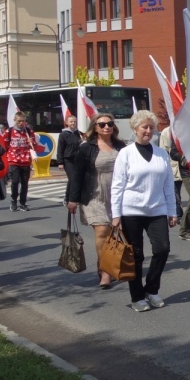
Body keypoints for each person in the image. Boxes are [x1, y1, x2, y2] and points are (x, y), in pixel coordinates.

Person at [110, 110, 178, 312]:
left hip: (156, 210)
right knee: (136, 255)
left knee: (162, 249)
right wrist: (115, 215)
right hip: (131, 211)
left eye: (151, 127)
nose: (148, 131)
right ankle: (137, 296)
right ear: (135, 129)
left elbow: (168, 184)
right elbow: (117, 185)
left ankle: (152, 289)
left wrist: (172, 211)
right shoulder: (126, 153)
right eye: (144, 127)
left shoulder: (161, 153)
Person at [68, 113, 127, 288]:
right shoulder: (87, 148)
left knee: (113, 234)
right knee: (102, 231)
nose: (106, 127)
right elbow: (77, 175)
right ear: (95, 127)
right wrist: (72, 199)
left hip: (117, 196)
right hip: (93, 195)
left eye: (109, 124)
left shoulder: (121, 146)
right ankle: (105, 272)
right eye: (102, 124)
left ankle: (111, 264)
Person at [4, 112, 39, 212]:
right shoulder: (9, 131)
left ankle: (23, 203)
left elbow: (34, 146)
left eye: (23, 121)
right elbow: (4, 144)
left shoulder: (29, 131)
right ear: (15, 120)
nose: (21, 123)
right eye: (19, 121)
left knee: (25, 183)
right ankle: (13, 201)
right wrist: (8, 155)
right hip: (13, 160)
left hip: (26, 161)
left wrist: (31, 142)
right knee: (15, 181)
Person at [57, 115, 82, 205]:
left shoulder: (78, 133)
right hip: (68, 159)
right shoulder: (63, 134)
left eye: (74, 121)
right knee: (72, 179)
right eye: (71, 121)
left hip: (77, 159)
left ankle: (75, 197)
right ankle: (67, 198)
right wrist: (60, 162)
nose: (73, 123)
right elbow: (60, 149)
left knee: (76, 179)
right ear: (67, 123)